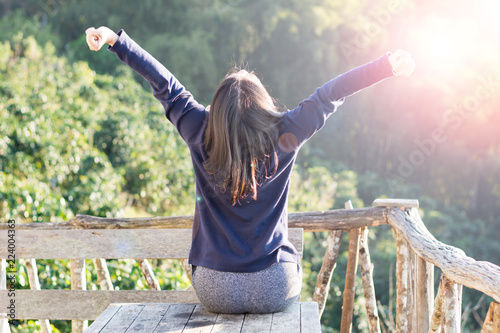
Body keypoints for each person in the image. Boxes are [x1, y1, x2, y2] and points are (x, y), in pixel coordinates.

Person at [85, 26, 414, 314]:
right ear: (263, 103)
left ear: (219, 107)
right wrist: (385, 66)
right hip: (275, 285)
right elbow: (331, 93)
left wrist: (116, 41)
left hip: (215, 288)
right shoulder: (287, 131)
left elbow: (165, 84)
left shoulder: (199, 129)